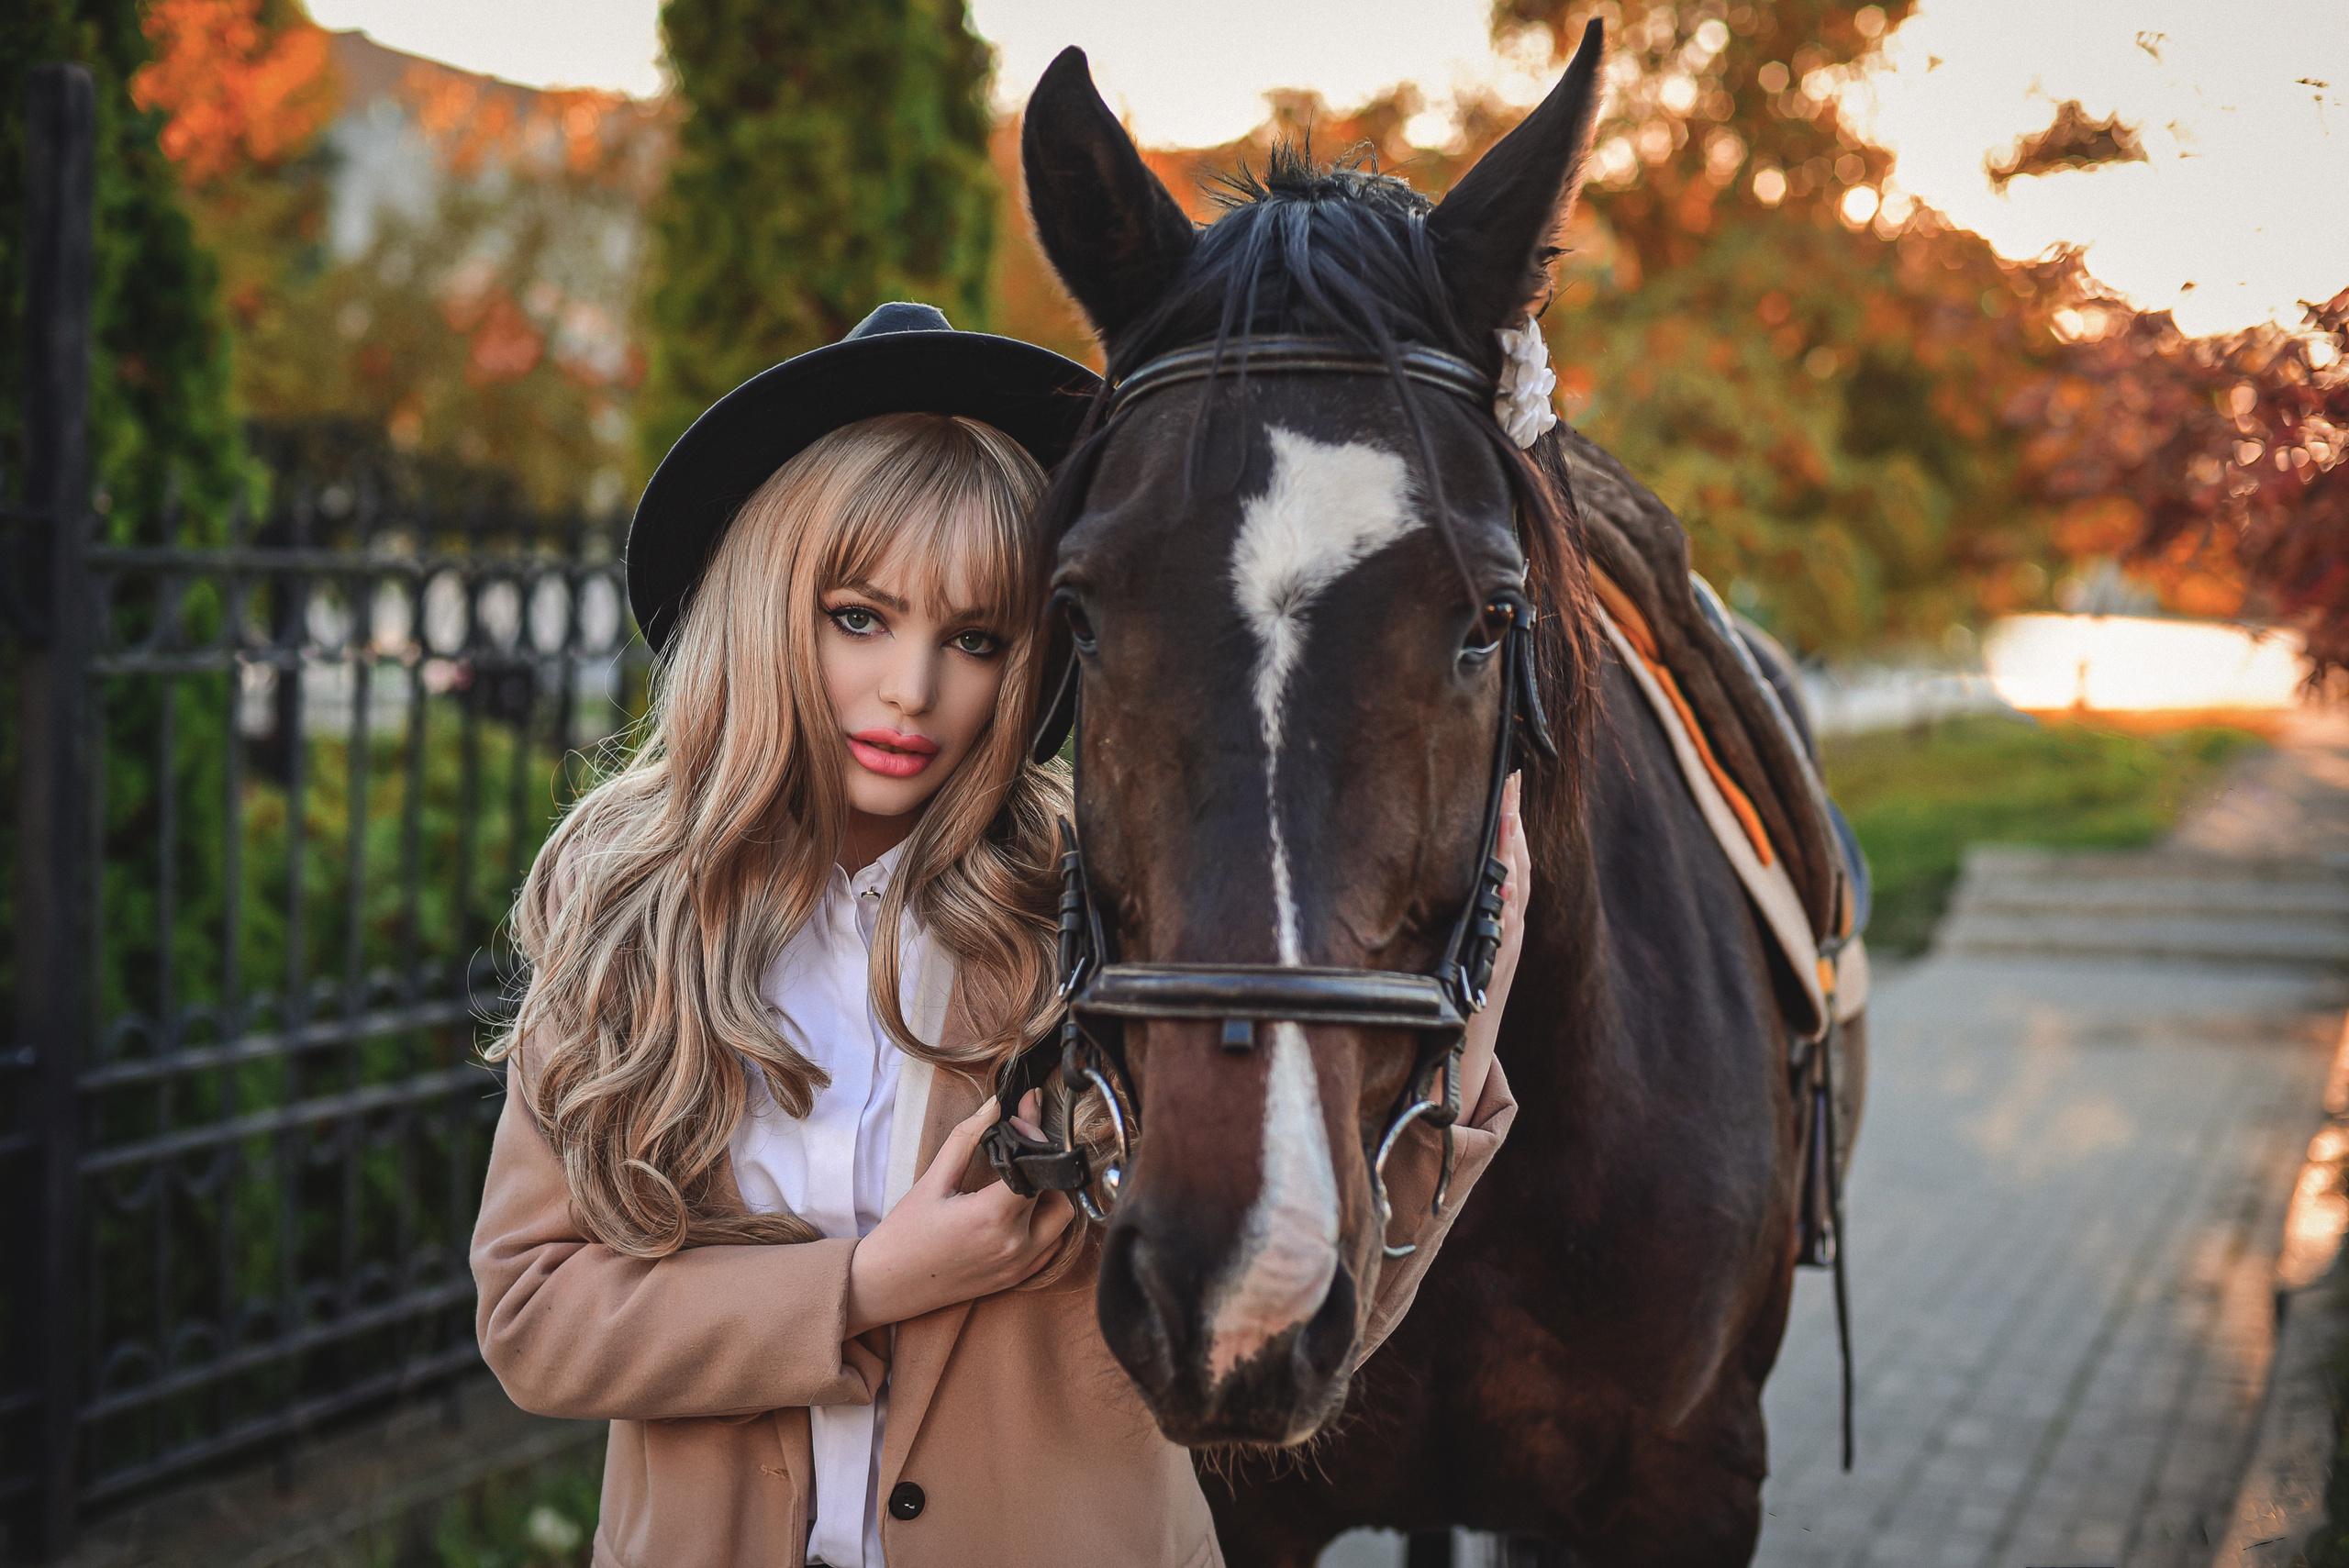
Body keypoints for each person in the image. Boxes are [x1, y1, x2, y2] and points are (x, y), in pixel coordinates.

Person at [468, 303, 1527, 1568]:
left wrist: (1481, 980)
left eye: (974, 639)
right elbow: (533, 1316)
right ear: (765, 606)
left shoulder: (1095, 915)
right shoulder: (629, 911)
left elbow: (1292, 1302)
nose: (913, 689)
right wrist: (867, 1285)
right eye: (859, 616)